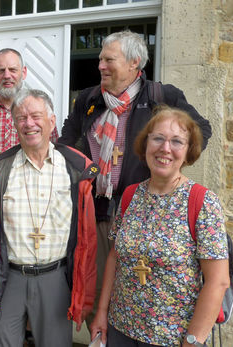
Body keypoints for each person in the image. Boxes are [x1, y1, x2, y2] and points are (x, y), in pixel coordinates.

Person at [58, 30, 212, 323]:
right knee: (100, 285)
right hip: (98, 211)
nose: (101, 65)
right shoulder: (89, 100)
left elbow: (200, 130)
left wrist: (167, 170)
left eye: (109, 59)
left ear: (134, 63)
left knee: (142, 290)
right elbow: (65, 146)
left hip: (145, 211)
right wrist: (89, 170)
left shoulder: (161, 96)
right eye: (100, 59)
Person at [0, 88, 98, 347]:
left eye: (36, 116)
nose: (29, 124)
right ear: (14, 124)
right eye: (22, 118)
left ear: (52, 121)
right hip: (6, 278)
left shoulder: (75, 170)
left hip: (55, 279)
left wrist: (85, 298)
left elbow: (88, 241)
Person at [90, 106, 229, 347]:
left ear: (188, 152)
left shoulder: (203, 202)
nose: (165, 148)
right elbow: (115, 257)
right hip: (121, 329)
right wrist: (102, 312)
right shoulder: (130, 196)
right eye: (158, 138)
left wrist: (193, 341)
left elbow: (218, 282)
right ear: (145, 145)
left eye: (177, 141)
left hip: (174, 338)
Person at [0, 48, 58, 160]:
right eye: (1, 70)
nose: (7, 75)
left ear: (23, 73)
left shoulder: (42, 109)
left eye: (12, 70)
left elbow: (54, 151)